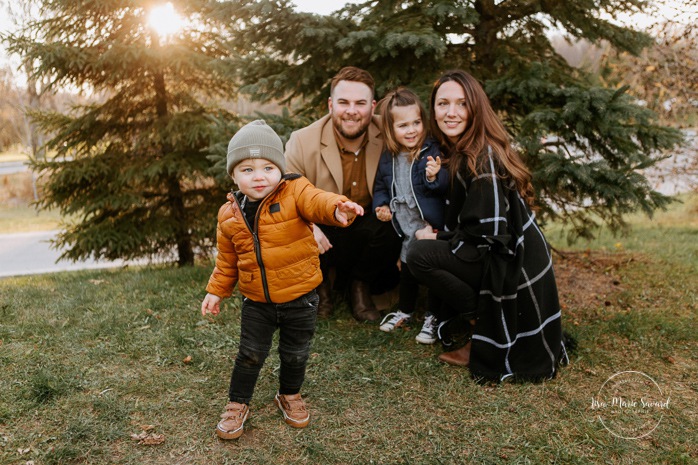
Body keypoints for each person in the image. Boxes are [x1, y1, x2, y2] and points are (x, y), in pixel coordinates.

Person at [201, 120, 364, 439]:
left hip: (301, 298)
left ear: (280, 168)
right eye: (246, 169)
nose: (258, 176)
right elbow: (227, 261)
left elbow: (317, 200)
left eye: (267, 167)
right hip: (256, 302)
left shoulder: (294, 192)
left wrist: (336, 207)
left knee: (295, 352)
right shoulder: (229, 215)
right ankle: (237, 404)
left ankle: (289, 394)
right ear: (233, 175)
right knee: (249, 353)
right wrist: (216, 292)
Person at [406, 70, 567, 381]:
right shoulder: (462, 149)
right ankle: (479, 321)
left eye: (461, 104)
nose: (450, 113)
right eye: (442, 104)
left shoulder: (481, 156)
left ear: (475, 108)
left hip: (511, 261)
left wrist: (437, 236)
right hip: (507, 250)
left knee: (418, 254)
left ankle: (482, 325)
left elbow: (487, 233)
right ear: (433, 109)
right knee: (428, 250)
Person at [285, 66, 402, 322]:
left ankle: (359, 285)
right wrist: (309, 227)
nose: (352, 111)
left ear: (372, 107)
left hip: (366, 228)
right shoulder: (302, 141)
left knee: (392, 224)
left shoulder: (391, 132)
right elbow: (285, 196)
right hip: (323, 227)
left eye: (360, 103)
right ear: (330, 105)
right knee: (303, 229)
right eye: (343, 102)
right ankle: (321, 286)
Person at [371, 87, 449, 344]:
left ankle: (434, 316)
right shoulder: (388, 158)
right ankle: (405, 310)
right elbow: (381, 185)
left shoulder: (430, 151)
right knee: (407, 270)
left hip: (429, 226)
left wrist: (433, 176)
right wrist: (381, 205)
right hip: (405, 225)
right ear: (391, 130)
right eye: (403, 125)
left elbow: (441, 189)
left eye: (416, 122)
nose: (412, 130)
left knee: (433, 271)